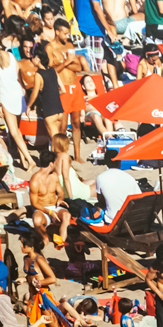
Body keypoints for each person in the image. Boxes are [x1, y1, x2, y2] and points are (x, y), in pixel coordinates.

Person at [47, 19, 85, 161]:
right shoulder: (50, 48)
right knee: (62, 126)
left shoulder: (69, 45)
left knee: (76, 123)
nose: (67, 36)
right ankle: (61, 156)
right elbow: (51, 71)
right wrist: (66, 62)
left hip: (75, 87)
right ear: (57, 32)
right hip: (62, 88)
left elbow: (78, 67)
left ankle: (77, 155)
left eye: (68, 33)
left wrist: (64, 63)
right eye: (64, 33)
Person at [28, 149, 70, 245]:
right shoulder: (35, 181)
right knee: (37, 220)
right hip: (42, 209)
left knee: (67, 215)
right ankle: (45, 238)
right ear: (51, 164)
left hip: (55, 206)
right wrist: (49, 212)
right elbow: (34, 203)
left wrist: (60, 199)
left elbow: (61, 192)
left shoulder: (54, 176)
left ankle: (61, 242)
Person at [0, 47, 33, 170]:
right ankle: (23, 160)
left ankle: (29, 160)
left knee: (14, 132)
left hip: (6, 97)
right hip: (18, 94)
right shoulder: (11, 55)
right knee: (17, 131)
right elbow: (19, 76)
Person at [25, 43, 65, 141]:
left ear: (37, 58)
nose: (31, 60)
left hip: (49, 112)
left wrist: (28, 106)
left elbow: (34, 94)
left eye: (33, 57)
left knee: (56, 143)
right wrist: (52, 94)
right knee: (60, 141)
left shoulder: (39, 74)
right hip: (60, 110)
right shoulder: (53, 70)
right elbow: (63, 90)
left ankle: (62, 157)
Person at [95, 150, 140, 227]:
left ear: (106, 162)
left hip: (112, 220)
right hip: (131, 219)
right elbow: (139, 199)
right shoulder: (129, 178)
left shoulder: (101, 178)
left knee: (96, 206)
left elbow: (101, 201)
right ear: (119, 161)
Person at [51, 133, 93, 201]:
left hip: (66, 187)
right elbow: (66, 178)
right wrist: (71, 198)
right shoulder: (64, 156)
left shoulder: (53, 157)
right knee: (99, 186)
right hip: (72, 190)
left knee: (92, 181)